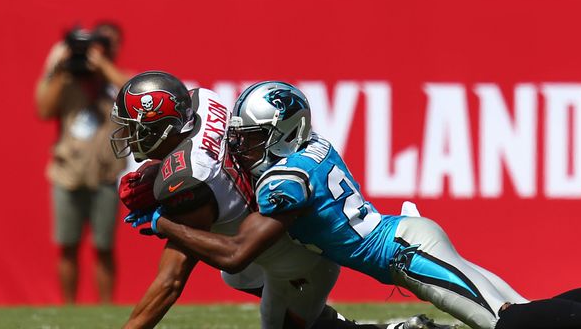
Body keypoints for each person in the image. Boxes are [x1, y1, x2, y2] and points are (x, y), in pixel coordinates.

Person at [131, 81, 581, 329]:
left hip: (406, 254)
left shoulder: (287, 178)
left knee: (511, 322)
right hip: (406, 236)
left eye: (252, 134)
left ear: (281, 132)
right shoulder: (307, 151)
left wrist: (161, 221)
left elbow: (235, 255)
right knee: (526, 309)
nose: (242, 142)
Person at [110, 71, 450, 329]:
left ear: (164, 128)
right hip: (272, 239)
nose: (128, 135)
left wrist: (162, 218)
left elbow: (170, 281)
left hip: (289, 253)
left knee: (272, 304)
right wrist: (159, 174)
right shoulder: (202, 103)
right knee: (243, 281)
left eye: (134, 127)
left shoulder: (187, 181)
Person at [35, 24, 131, 303]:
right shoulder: (66, 80)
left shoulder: (116, 81)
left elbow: (132, 94)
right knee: (67, 245)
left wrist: (102, 67)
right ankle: (69, 309)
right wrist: (56, 67)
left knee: (104, 247)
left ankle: (105, 307)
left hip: (105, 175)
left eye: (108, 43)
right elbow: (43, 109)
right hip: (68, 174)